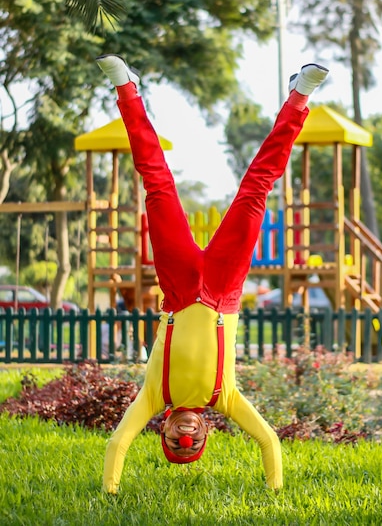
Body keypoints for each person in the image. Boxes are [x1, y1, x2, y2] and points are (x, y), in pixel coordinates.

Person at [96, 54, 329, 494]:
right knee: (256, 188)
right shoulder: (226, 399)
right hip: (224, 290)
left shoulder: (152, 398)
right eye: (192, 445)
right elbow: (269, 441)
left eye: (176, 444)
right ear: (207, 433)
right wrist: (275, 491)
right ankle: (300, 96)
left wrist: (110, 493)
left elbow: (116, 443)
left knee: (156, 181)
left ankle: (127, 91)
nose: (187, 438)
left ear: (162, 431)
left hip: (179, 289)